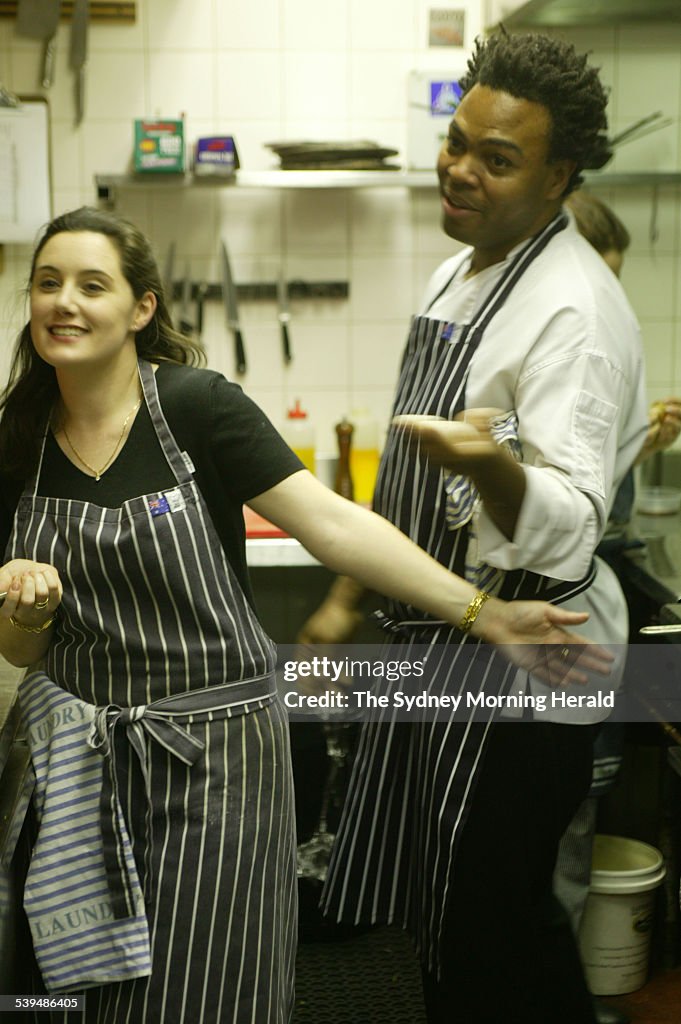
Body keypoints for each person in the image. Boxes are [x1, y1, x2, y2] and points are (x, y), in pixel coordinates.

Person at [0, 206, 609, 1024]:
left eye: (91, 284)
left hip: (215, 764)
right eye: (48, 283)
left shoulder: (196, 408)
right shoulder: (19, 438)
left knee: (204, 986)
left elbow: (332, 525)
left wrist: (484, 614)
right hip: (78, 763)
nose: (65, 302)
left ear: (141, 307)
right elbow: (18, 651)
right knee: (74, 994)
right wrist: (27, 607)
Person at [302, 31, 650, 1024]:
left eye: (497, 159)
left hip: (529, 664)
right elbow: (450, 456)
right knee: (444, 923)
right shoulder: (461, 274)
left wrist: (490, 466)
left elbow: (567, 522)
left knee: (494, 934)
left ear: (558, 176)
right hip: (449, 645)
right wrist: (346, 598)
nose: (460, 170)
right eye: (458, 142)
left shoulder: (574, 310)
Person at [553, 191, 681, 1024]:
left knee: (577, 813)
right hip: (553, 628)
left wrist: (638, 443)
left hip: (590, 619)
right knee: (558, 827)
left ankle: (568, 992)